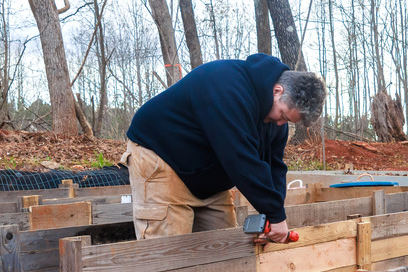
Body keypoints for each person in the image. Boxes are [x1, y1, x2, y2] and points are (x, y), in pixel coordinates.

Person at [122, 53, 326, 243]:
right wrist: (275, 215)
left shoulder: (275, 121)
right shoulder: (227, 86)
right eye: (283, 115)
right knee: (168, 256)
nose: (281, 124)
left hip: (206, 176)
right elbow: (240, 159)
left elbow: (275, 167)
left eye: (288, 121)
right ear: (277, 91)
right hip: (162, 158)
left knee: (228, 248)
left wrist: (273, 217)